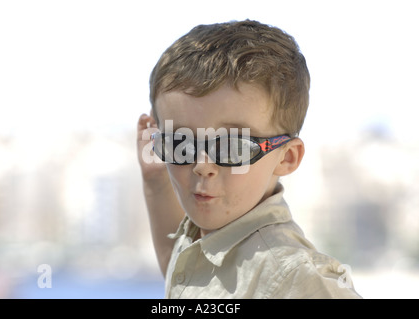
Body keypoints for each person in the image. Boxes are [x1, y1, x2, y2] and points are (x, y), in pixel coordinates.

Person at [136, 20, 361, 298]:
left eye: (232, 147)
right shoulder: (208, 235)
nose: (202, 165)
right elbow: (182, 277)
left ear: (286, 157)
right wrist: (155, 180)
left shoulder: (297, 277)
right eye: (181, 143)